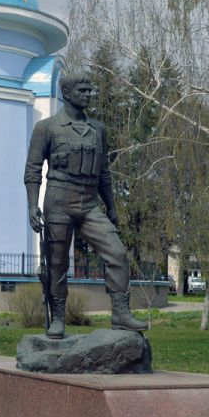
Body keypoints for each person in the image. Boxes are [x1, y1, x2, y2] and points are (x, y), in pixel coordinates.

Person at [24, 73, 147, 338]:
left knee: (117, 253)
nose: (89, 94)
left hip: (90, 204)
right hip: (58, 201)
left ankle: (121, 313)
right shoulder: (47, 127)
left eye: (90, 90)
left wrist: (111, 207)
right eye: (83, 90)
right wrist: (32, 206)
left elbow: (104, 172)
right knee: (57, 264)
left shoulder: (98, 129)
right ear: (67, 94)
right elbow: (32, 170)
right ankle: (58, 318)